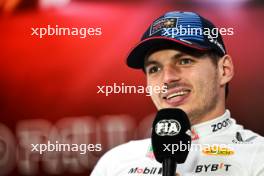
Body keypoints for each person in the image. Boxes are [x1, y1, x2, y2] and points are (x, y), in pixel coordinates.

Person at [91, 11, 264, 176]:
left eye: (184, 61)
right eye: (155, 69)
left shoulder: (258, 156)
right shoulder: (115, 161)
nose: (167, 78)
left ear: (224, 70)